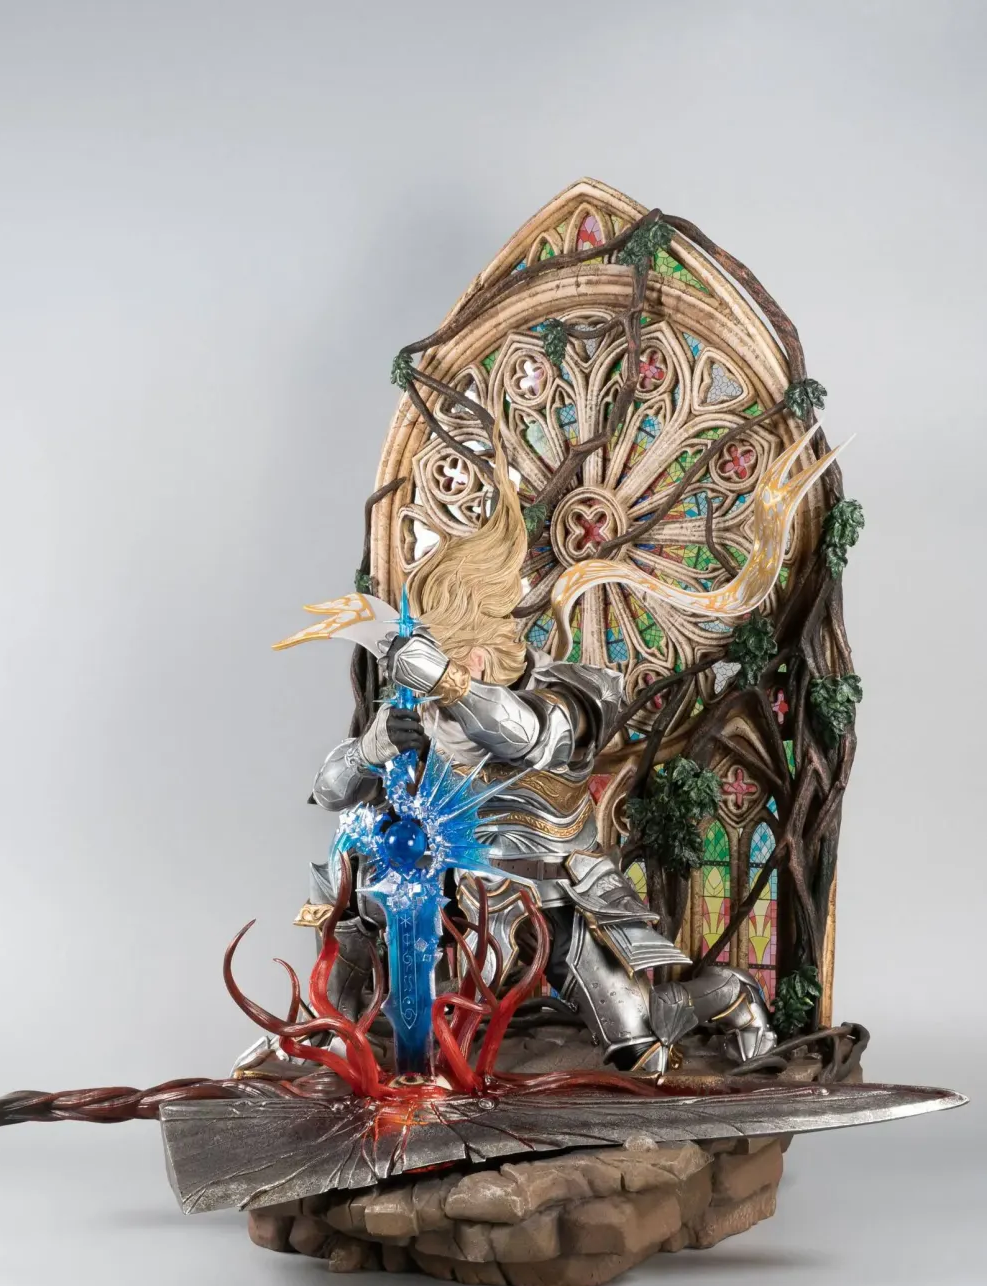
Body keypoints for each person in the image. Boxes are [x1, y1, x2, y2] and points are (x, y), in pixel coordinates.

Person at [308, 446, 774, 1075]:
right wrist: (372, 746)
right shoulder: (418, 711)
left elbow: (524, 736)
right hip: (446, 890)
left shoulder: (567, 694)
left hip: (549, 894)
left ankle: (732, 996)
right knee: (354, 882)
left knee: (639, 1049)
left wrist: (451, 684)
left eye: (445, 655)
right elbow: (329, 790)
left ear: (479, 654)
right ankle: (332, 1028)